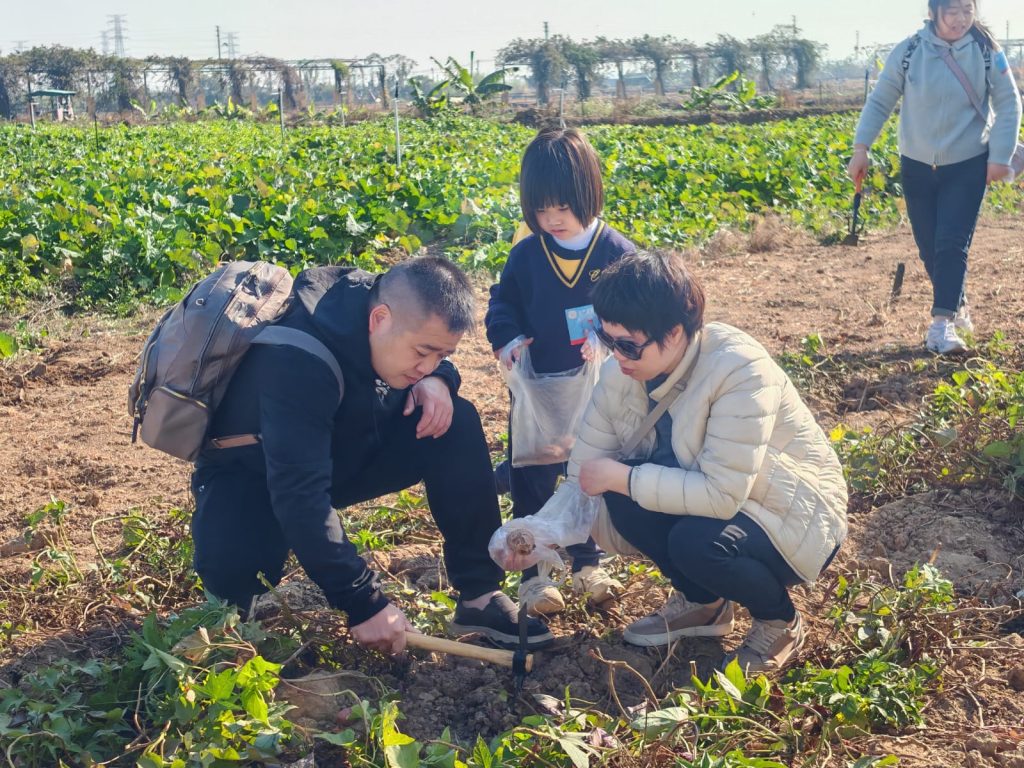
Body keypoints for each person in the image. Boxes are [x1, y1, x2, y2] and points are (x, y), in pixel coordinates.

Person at [190, 257, 552, 654]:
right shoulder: (296, 360)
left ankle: (479, 596)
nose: (427, 364)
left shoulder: (390, 309)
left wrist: (439, 379)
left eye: (441, 354)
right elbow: (298, 494)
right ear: (379, 319)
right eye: (423, 352)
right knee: (235, 580)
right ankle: (233, 591)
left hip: (342, 448)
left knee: (454, 419)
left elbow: (435, 360)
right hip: (255, 474)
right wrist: (364, 601)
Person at [567, 251, 848, 673]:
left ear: (674, 332)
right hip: (717, 498)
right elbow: (585, 470)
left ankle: (780, 623)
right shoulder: (619, 375)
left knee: (693, 541)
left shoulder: (739, 369)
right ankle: (703, 603)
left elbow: (721, 495)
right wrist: (541, 532)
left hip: (790, 510)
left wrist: (623, 477)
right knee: (620, 495)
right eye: (607, 339)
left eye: (628, 345)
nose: (617, 355)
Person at [485, 127, 637, 615]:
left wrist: (609, 339)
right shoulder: (528, 255)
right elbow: (502, 302)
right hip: (537, 393)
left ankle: (587, 564)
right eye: (540, 210)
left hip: (597, 394)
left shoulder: (617, 255)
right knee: (533, 478)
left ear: (589, 194)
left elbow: (638, 314)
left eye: (562, 208)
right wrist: (507, 337)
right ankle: (533, 576)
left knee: (586, 476)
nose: (551, 219)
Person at [848, 0, 1022, 355]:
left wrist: (1000, 157)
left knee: (951, 243)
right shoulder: (909, 51)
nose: (961, 19)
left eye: (967, 10)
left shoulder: (987, 51)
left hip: (967, 163)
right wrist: (861, 147)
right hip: (916, 165)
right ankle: (958, 304)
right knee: (929, 248)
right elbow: (880, 100)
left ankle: (941, 326)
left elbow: (1009, 103)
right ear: (933, 12)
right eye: (952, 11)